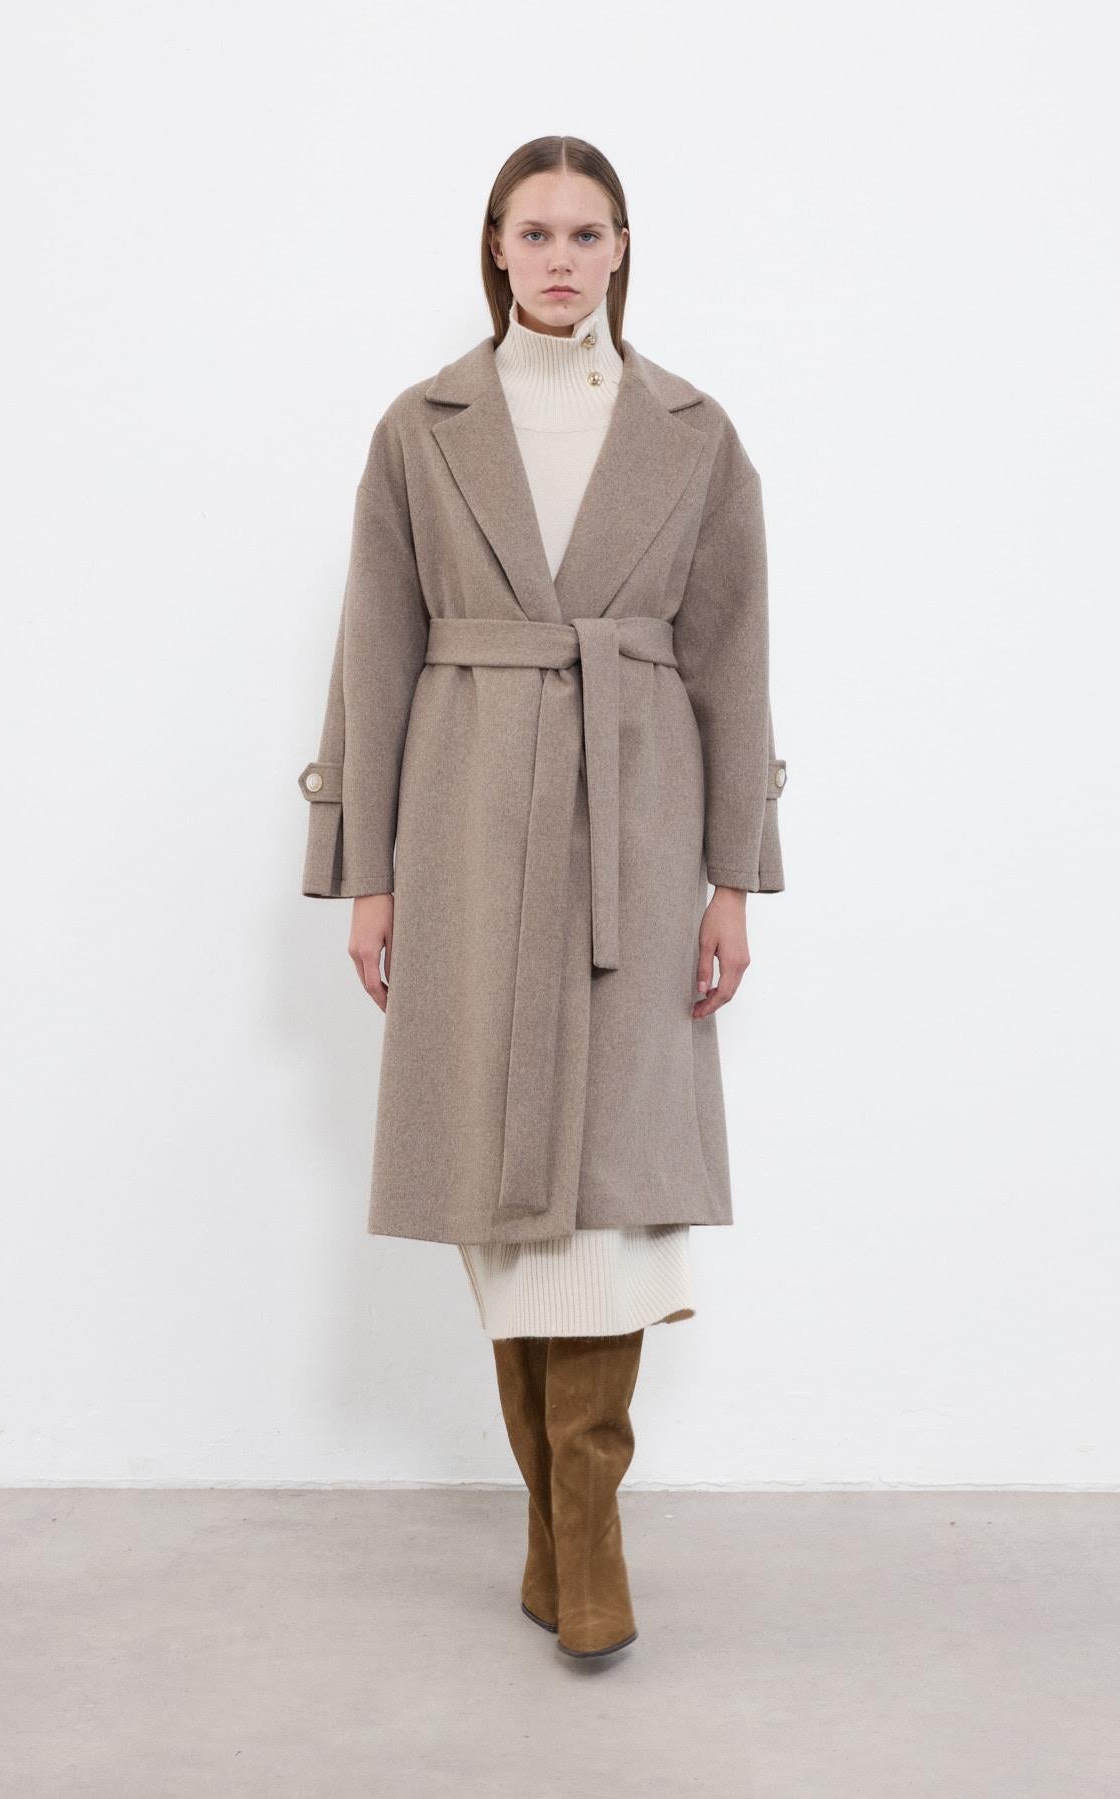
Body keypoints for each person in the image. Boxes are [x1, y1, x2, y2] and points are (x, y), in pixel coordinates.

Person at [297, 135, 788, 1660]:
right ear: (496, 248)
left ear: (623, 248)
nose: (562, 258)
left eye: (587, 232)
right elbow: (374, 648)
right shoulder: (422, 427)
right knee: (499, 1197)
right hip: (467, 820)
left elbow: (734, 659)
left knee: (613, 1191)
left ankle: (589, 1533)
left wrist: (733, 879)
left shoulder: (693, 433)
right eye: (536, 233)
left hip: (638, 827)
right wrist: (367, 873)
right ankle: (557, 1533)